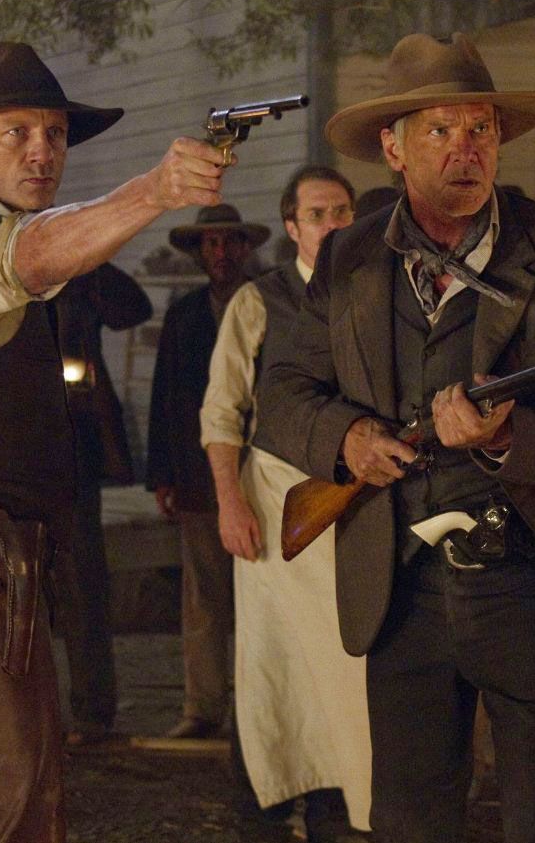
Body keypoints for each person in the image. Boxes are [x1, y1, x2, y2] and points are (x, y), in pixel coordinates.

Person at [258, 32, 535, 843]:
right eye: (439, 130)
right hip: (400, 584)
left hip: (531, 575)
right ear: (393, 148)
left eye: (479, 128)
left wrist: (509, 434)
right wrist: (349, 439)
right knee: (409, 818)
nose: (464, 149)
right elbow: (281, 394)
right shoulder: (347, 257)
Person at [0, 40, 227, 841]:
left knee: (27, 809)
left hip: (5, 565)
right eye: (16, 132)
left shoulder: (1, 229)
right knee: (11, 814)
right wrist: (152, 191)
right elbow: (26, 259)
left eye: (55, 133)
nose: (42, 151)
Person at [199, 165, 372, 838]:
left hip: (355, 501)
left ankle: (339, 810)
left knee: (349, 668)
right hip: (276, 504)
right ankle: (267, 808)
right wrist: (229, 501)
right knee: (275, 667)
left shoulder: (373, 291)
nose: (332, 224)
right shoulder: (259, 301)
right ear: (292, 226)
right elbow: (222, 411)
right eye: (317, 214)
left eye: (342, 212)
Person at [145, 202, 267, 739]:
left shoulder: (270, 303)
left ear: (244, 247)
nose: (220, 253)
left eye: (228, 242)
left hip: (261, 470)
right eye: (210, 243)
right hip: (198, 475)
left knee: (263, 596)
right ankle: (203, 706)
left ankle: (260, 710)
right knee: (203, 597)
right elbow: (166, 395)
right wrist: (163, 474)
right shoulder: (185, 314)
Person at [52, 262, 151, 745]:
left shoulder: (79, 277)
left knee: (82, 582)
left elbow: (133, 307)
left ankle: (92, 710)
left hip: (74, 448)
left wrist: (84, 257)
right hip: (13, 443)